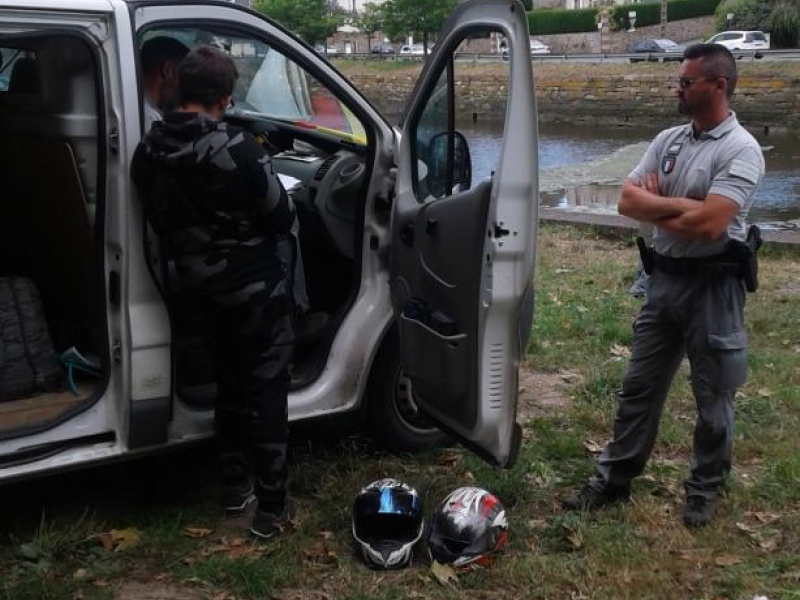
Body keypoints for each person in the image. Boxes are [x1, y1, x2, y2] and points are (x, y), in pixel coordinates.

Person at [562, 43, 765, 528]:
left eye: (687, 82)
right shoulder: (668, 139)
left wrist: (661, 207)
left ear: (719, 85)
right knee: (638, 389)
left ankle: (704, 490)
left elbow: (712, 225)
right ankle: (613, 481)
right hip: (662, 285)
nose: (678, 88)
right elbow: (626, 202)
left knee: (714, 398)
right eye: (678, 80)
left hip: (714, 292)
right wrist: (683, 209)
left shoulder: (742, 149)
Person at [131, 45, 296, 539]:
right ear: (225, 97)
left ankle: (233, 486)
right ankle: (272, 508)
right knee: (265, 391)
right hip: (255, 293)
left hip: (196, 291)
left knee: (227, 382)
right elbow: (281, 216)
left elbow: (157, 216)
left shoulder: (147, 151)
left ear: (180, 87)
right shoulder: (240, 149)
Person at [140, 36, 190, 131]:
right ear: (167, 70)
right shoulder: (150, 121)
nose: (185, 86)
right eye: (183, 75)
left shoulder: (138, 105)